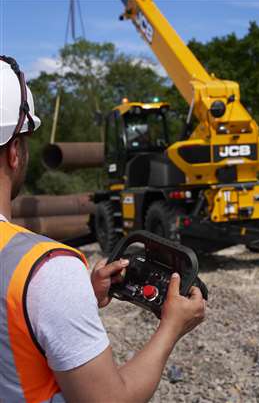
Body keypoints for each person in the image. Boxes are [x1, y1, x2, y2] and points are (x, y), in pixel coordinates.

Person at [0, 56, 206, 403]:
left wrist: (74, 298)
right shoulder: (45, 271)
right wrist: (172, 327)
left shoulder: (40, 281)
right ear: (15, 152)